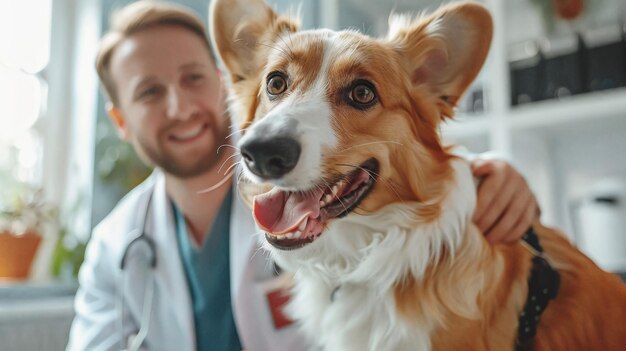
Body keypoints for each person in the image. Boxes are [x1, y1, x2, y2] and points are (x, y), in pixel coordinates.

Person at [66, 1, 540, 350]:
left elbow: (416, 167)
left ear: (222, 78)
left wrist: (488, 170)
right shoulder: (113, 248)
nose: (180, 107)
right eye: (149, 92)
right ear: (121, 121)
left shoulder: (333, 201)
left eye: (193, 78)